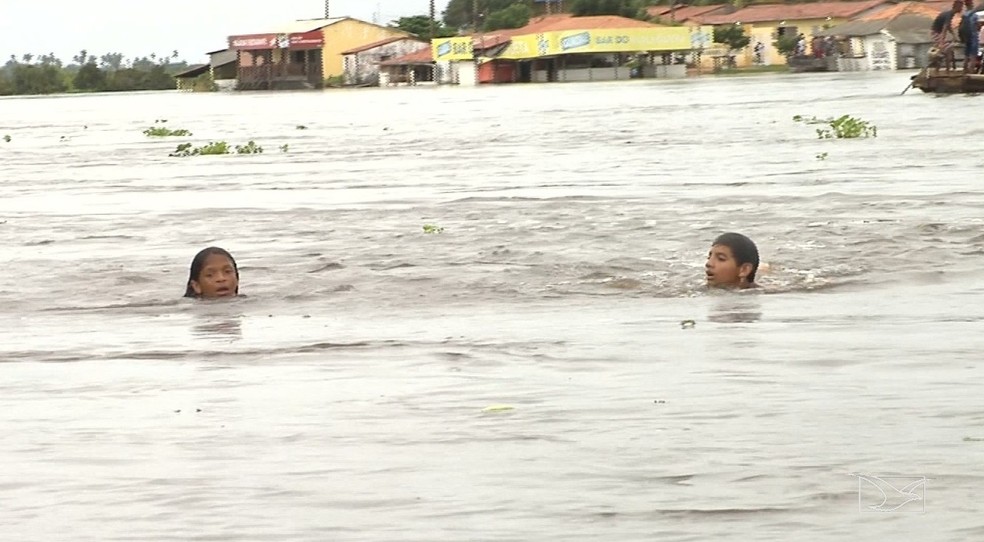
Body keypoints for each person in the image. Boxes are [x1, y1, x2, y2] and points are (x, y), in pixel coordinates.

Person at [931, 1, 964, 72]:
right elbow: (945, 28)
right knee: (945, 51)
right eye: (961, 7)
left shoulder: (950, 14)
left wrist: (954, 35)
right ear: (956, 6)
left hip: (938, 32)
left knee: (947, 51)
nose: (962, 9)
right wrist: (941, 41)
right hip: (936, 32)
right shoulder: (949, 14)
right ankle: (946, 70)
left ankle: (946, 69)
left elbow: (948, 26)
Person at [960, 0, 981, 73]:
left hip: (967, 37)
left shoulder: (964, 14)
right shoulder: (974, 15)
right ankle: (971, 72)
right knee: (973, 56)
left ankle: (964, 70)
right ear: (971, 4)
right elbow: (978, 26)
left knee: (966, 55)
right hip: (973, 37)